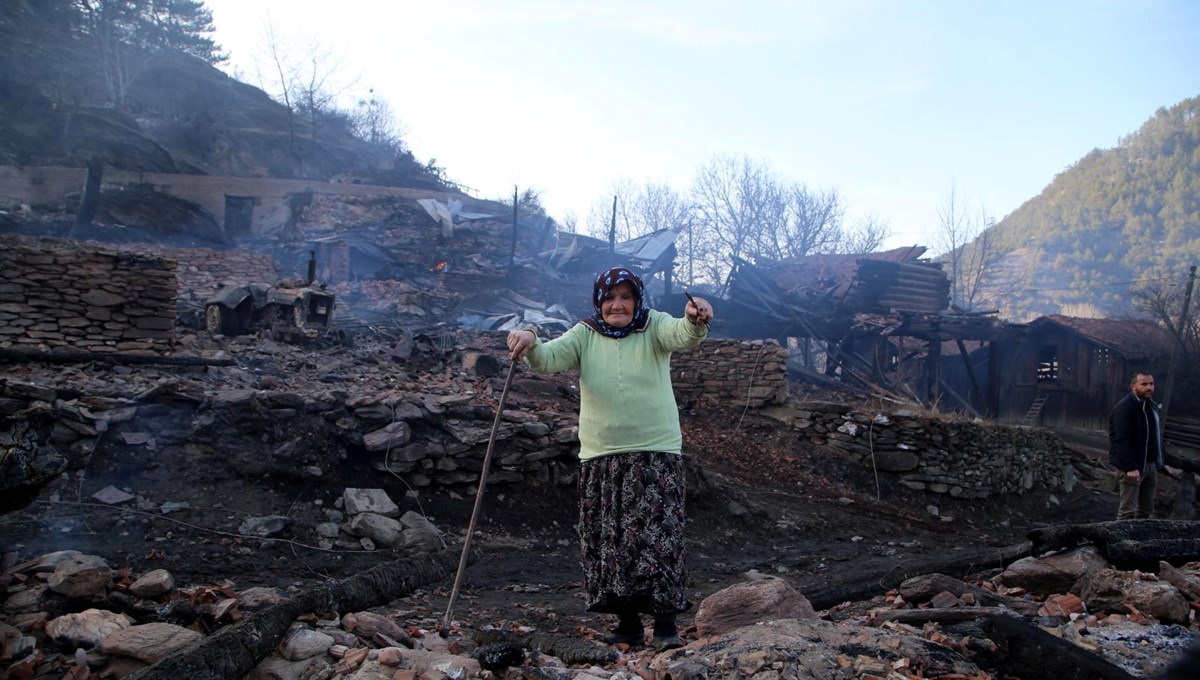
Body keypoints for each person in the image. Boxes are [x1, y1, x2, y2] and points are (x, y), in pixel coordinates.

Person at [506, 266, 713, 651]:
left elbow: (683, 334)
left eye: (626, 297)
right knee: (612, 542)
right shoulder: (584, 333)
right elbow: (548, 357)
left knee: (659, 539)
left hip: (655, 454)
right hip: (602, 457)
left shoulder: (654, 326)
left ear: (637, 300)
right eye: (610, 298)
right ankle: (628, 623)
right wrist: (530, 339)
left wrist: (694, 317)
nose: (617, 305)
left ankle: (665, 626)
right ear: (599, 301)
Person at [1108, 372, 1165, 520]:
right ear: (1133, 386)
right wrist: (1130, 467)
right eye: (1144, 384)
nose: (1149, 387)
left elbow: (1154, 437)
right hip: (1132, 467)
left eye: (1151, 384)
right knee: (1127, 511)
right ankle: (1121, 535)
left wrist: (1160, 460)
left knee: (1146, 509)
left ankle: (1138, 534)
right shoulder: (1124, 408)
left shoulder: (1150, 406)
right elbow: (1119, 440)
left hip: (1150, 465)